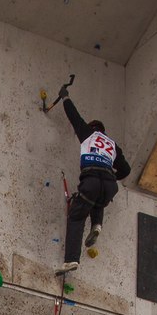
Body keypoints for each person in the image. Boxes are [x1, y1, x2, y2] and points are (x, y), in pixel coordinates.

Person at [50, 76, 131, 269]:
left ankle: (71, 260)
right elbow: (126, 170)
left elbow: (73, 115)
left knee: (77, 216)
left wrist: (65, 96)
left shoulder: (88, 133)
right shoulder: (112, 145)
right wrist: (112, 176)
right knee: (98, 199)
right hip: (109, 185)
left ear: (93, 128)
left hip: (91, 181)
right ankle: (97, 225)